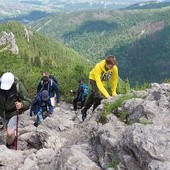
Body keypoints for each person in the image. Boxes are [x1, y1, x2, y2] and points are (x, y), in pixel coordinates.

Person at [81, 55, 118, 121]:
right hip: (93, 80)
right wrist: (107, 95)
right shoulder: (98, 67)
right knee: (98, 96)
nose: (112, 68)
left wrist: (114, 92)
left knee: (93, 95)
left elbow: (114, 80)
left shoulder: (114, 68)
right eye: (111, 66)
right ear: (106, 64)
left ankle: (84, 110)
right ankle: (93, 114)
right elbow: (98, 83)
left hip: (102, 82)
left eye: (113, 66)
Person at [0, 72, 31, 149]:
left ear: (12, 83)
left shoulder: (19, 87)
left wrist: (22, 104)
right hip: (3, 114)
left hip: (14, 112)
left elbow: (28, 102)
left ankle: (8, 146)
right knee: (8, 130)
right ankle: (12, 140)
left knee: (9, 133)